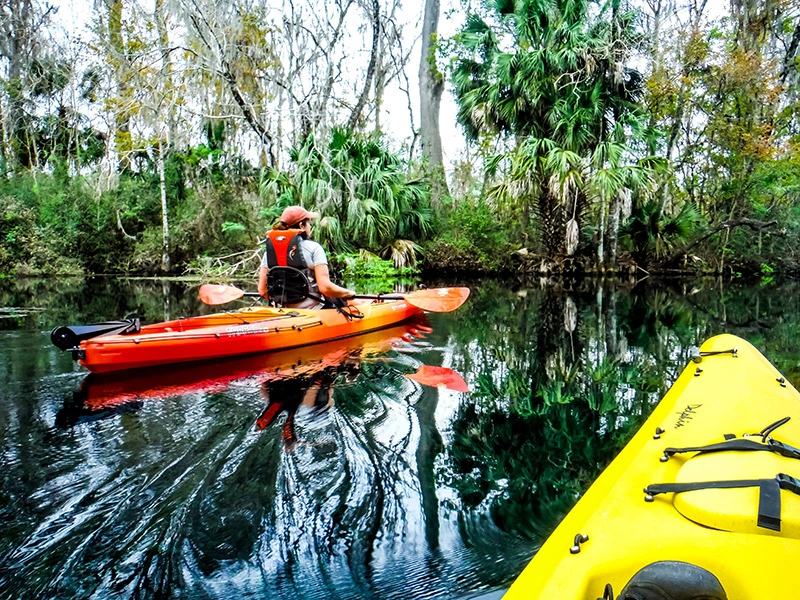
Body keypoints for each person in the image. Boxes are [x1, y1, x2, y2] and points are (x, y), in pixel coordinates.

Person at [258, 205, 356, 309]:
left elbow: (262, 291)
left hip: (282, 311)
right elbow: (325, 288)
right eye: (308, 223)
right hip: (313, 311)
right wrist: (348, 292)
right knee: (353, 303)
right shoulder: (314, 248)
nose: (310, 226)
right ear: (301, 226)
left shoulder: (269, 252)